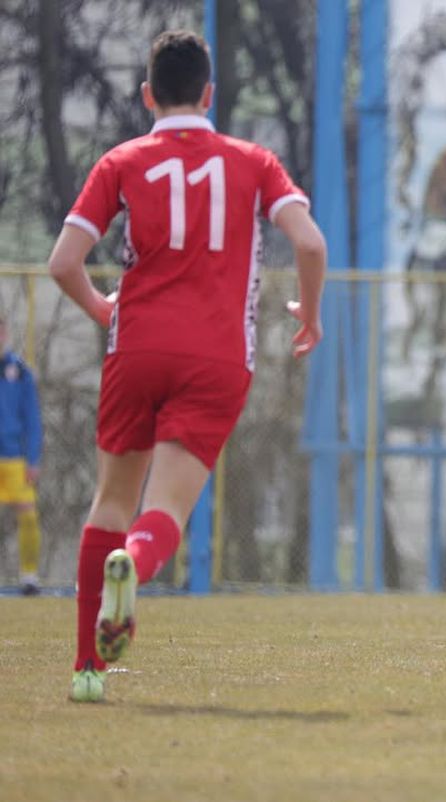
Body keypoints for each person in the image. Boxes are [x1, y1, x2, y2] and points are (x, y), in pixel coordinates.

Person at [46, 30, 327, 702]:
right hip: (217, 356)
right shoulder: (252, 161)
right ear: (209, 94)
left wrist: (100, 307)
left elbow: (62, 263)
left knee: (111, 501)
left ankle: (88, 669)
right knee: (163, 509)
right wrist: (310, 314)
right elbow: (310, 243)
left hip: (136, 347)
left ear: (148, 96)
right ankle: (135, 564)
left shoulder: (121, 161)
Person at [0, 317, 43, 595]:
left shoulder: (20, 371)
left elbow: (32, 419)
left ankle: (29, 576)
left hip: (15, 458)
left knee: (28, 516)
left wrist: (33, 458)